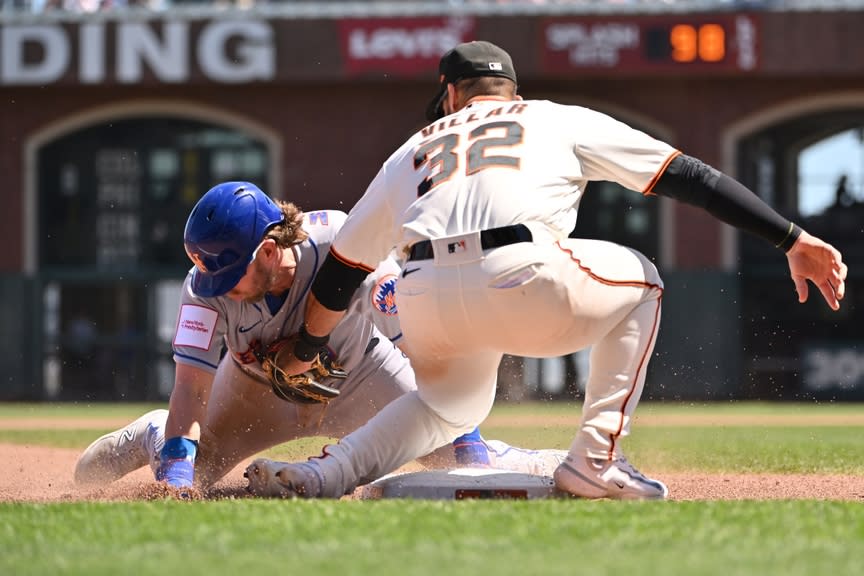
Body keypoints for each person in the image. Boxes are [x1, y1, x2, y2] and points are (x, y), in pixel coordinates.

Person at [244, 40, 848, 501]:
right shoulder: (555, 116)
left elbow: (344, 269)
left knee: (449, 402)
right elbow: (689, 175)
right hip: (520, 273)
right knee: (644, 280)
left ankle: (324, 474)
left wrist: (306, 345)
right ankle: (595, 459)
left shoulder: (414, 147)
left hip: (422, 292)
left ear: (450, 94)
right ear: (510, 89)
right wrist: (790, 237)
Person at [73, 181, 566, 493]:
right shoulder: (203, 286)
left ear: (268, 251)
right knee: (192, 474)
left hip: (362, 374)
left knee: (456, 463)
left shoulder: (343, 242)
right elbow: (189, 388)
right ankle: (152, 435)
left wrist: (464, 437)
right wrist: (177, 477)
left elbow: (418, 336)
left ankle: (526, 460)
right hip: (254, 391)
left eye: (230, 277)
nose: (222, 290)